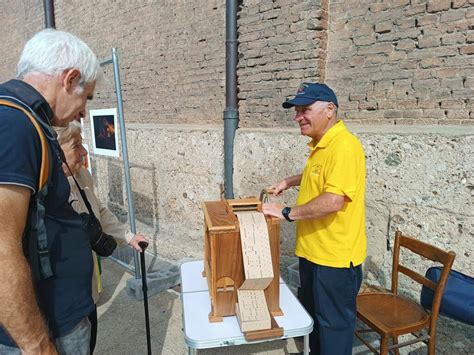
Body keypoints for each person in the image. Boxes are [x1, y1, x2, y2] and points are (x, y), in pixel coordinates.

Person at [0, 29, 101, 354]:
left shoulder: (25, 119)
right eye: (87, 97)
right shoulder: (15, 125)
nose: (84, 112)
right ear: (70, 79)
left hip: (60, 316)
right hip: (48, 329)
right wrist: (37, 344)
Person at [262, 83, 366, 355]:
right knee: (315, 324)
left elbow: (333, 201)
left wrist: (286, 213)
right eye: (296, 111)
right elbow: (320, 175)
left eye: (305, 110)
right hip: (314, 253)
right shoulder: (323, 145)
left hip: (334, 260)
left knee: (333, 329)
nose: (298, 117)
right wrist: (290, 180)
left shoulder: (344, 147)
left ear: (330, 109)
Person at [54, 121, 148, 354]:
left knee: (90, 340)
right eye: (76, 146)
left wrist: (128, 236)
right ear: (55, 151)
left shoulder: (82, 175)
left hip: (87, 286)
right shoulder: (45, 190)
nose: (84, 152)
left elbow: (100, 212)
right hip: (62, 297)